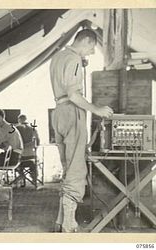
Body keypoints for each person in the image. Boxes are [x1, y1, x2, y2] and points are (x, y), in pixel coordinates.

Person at [49, 29, 113, 232]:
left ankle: (61, 221)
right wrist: (97, 110)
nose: (92, 52)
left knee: (68, 168)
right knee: (76, 170)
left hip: (58, 112)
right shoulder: (74, 59)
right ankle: (69, 225)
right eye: (92, 47)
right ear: (85, 40)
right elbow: (74, 95)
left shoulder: (58, 56)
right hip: (71, 111)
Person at [16, 114, 40, 186]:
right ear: (26, 119)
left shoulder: (17, 128)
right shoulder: (32, 128)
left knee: (14, 160)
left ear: (19, 120)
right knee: (35, 162)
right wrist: (34, 148)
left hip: (21, 157)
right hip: (32, 156)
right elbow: (38, 141)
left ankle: (21, 174)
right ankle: (34, 179)